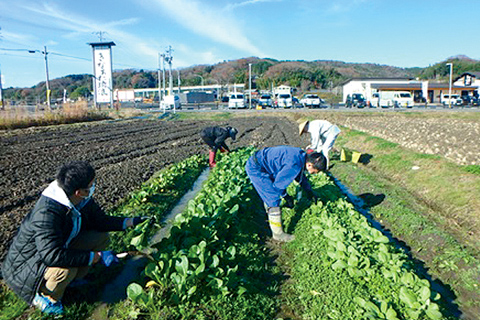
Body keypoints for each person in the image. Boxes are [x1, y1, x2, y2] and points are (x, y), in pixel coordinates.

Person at [1, 161, 148, 315]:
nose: (93, 187)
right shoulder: (47, 213)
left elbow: (101, 221)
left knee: (100, 238)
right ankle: (48, 297)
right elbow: (52, 255)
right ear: (79, 191)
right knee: (65, 271)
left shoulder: (80, 199)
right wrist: (97, 257)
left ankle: (73, 281)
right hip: (27, 266)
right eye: (91, 185)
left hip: (58, 247)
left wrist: (132, 222)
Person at [245, 146, 327, 242]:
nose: (315, 173)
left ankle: (269, 212)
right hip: (256, 168)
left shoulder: (301, 156)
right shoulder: (294, 164)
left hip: (265, 164)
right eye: (316, 171)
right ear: (309, 165)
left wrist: (309, 191)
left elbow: (300, 176)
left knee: (269, 192)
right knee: (273, 198)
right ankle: (278, 234)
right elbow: (278, 186)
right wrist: (287, 197)